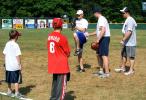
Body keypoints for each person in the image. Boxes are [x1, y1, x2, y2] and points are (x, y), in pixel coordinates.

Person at [48, 18, 70, 100]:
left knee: (55, 83)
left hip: (53, 63)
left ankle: (53, 98)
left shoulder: (49, 36)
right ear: (61, 26)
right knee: (61, 87)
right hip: (61, 65)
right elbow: (67, 52)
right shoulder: (62, 37)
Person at [89, 7, 111, 78]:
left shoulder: (101, 19)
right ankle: (101, 71)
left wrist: (98, 40)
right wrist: (88, 34)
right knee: (98, 54)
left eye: (93, 13)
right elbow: (98, 31)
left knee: (104, 55)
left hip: (104, 38)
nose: (93, 14)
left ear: (96, 12)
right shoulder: (100, 19)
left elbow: (103, 30)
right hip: (102, 38)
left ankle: (107, 73)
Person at [3, 30, 23, 98]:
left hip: (8, 65)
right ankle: (17, 93)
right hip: (15, 66)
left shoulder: (7, 43)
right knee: (16, 80)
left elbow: (5, 54)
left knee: (9, 79)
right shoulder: (16, 45)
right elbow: (17, 56)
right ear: (16, 37)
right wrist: (19, 65)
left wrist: (5, 63)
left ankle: (9, 91)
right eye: (18, 36)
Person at [118, 7, 137, 75]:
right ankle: (123, 68)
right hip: (126, 42)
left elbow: (129, 32)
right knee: (124, 55)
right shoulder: (127, 20)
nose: (122, 14)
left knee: (131, 57)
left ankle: (131, 70)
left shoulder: (130, 20)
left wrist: (123, 40)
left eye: (123, 13)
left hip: (130, 42)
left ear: (127, 13)